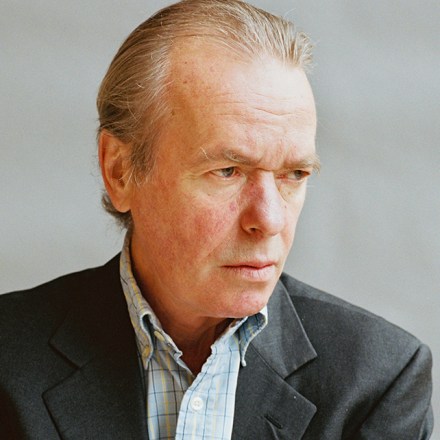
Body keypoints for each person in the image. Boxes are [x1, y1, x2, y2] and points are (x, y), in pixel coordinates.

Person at [0, 0, 433, 438]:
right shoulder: (9, 359)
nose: (269, 219)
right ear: (120, 171)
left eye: (294, 175)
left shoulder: (377, 382)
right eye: (227, 171)